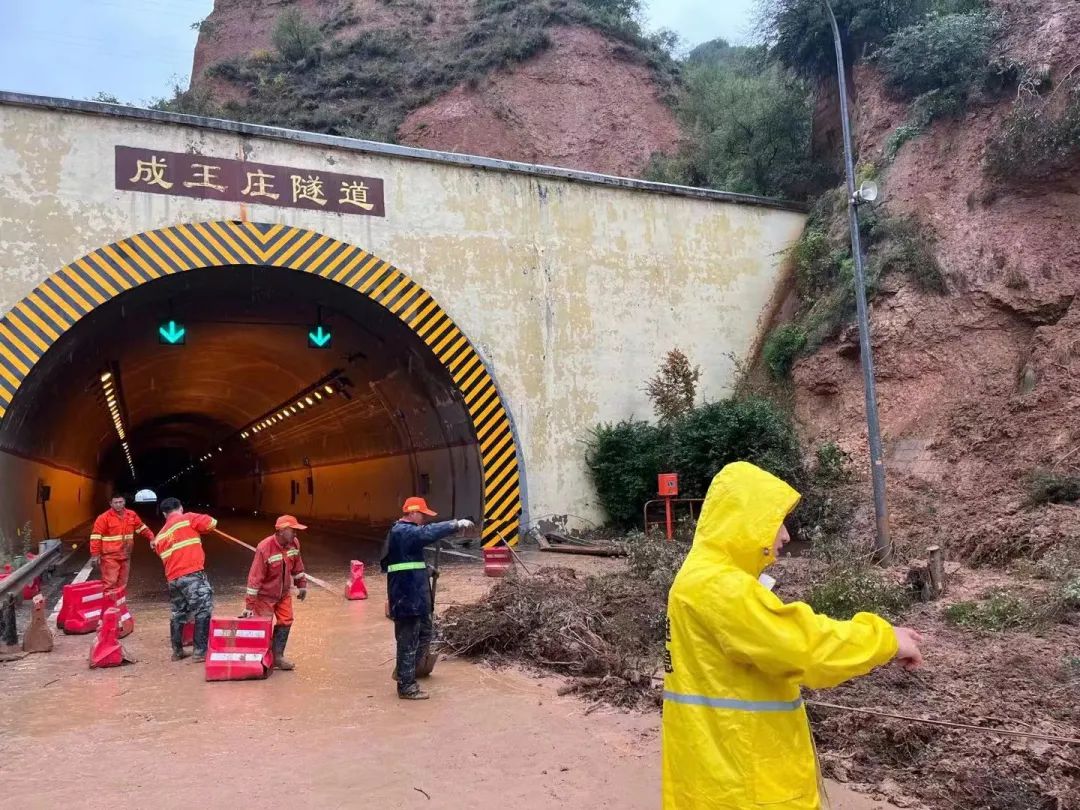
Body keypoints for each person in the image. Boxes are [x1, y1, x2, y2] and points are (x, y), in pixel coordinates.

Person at [662, 462, 924, 810]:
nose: (785, 535)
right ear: (747, 519)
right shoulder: (721, 587)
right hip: (745, 786)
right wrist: (885, 640)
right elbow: (805, 647)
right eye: (776, 521)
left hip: (717, 775)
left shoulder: (700, 577)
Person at [381, 497, 473, 700]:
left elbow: (407, 560)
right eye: (422, 515)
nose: (423, 519)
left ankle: (407, 672)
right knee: (408, 639)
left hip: (414, 593)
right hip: (406, 597)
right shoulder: (402, 531)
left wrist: (426, 570)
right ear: (413, 513)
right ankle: (406, 686)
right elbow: (425, 534)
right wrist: (455, 524)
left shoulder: (405, 534)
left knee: (425, 632)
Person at [153, 497, 218, 663]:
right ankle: (200, 652)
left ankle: (177, 651)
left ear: (164, 514)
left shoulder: (160, 536)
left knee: (178, 613)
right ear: (180, 507)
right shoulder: (187, 518)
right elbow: (211, 523)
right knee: (203, 610)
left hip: (173, 579)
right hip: (192, 574)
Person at [240, 515, 308, 671]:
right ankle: (260, 658)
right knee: (262, 627)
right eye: (293, 530)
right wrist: (249, 606)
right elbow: (255, 578)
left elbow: (297, 566)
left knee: (286, 621)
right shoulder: (265, 548)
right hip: (265, 597)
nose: (296, 534)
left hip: (283, 594)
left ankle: (278, 656)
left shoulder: (294, 544)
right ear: (282, 531)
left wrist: (302, 585)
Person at [89, 495, 154, 596]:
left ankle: (119, 605)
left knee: (122, 583)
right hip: (110, 556)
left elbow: (141, 528)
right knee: (110, 583)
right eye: (116, 502)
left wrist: (151, 537)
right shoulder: (103, 518)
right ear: (111, 504)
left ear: (124, 502)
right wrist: (95, 555)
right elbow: (96, 537)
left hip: (126, 554)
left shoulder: (131, 515)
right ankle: (110, 607)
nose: (118, 505)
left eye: (121, 502)